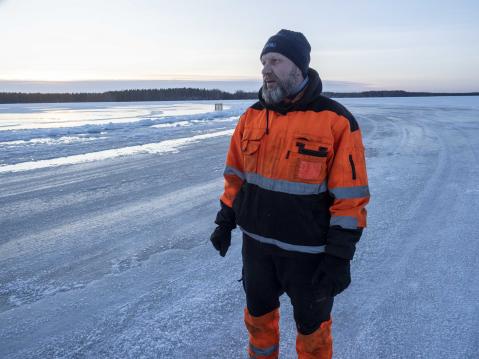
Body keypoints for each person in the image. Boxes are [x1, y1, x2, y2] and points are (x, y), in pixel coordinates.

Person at [210, 29, 370, 359]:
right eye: (263, 62)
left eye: (276, 61)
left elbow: (350, 196)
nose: (266, 69)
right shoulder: (251, 117)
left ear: (298, 66)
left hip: (309, 255)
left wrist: (339, 256)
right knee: (258, 325)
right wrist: (225, 220)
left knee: (313, 334)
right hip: (257, 249)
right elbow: (235, 175)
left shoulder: (335, 121)